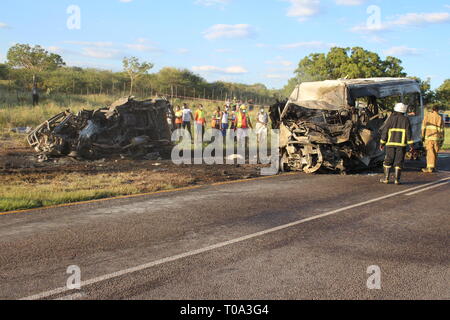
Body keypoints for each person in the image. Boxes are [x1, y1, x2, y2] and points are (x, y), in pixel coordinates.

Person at [379, 103, 414, 185]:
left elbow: (385, 132)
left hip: (390, 144)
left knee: (388, 161)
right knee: (399, 161)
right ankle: (397, 180)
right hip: (401, 145)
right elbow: (409, 133)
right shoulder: (406, 119)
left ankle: (386, 179)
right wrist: (411, 146)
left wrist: (382, 143)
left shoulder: (390, 119)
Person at [421, 105, 445, 173]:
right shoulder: (439, 117)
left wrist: (422, 136)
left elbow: (423, 127)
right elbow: (442, 130)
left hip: (428, 137)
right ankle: (433, 167)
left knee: (430, 152)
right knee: (435, 152)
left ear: (432, 110)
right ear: (437, 110)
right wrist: (442, 139)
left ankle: (430, 168)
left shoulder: (427, 116)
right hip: (436, 138)